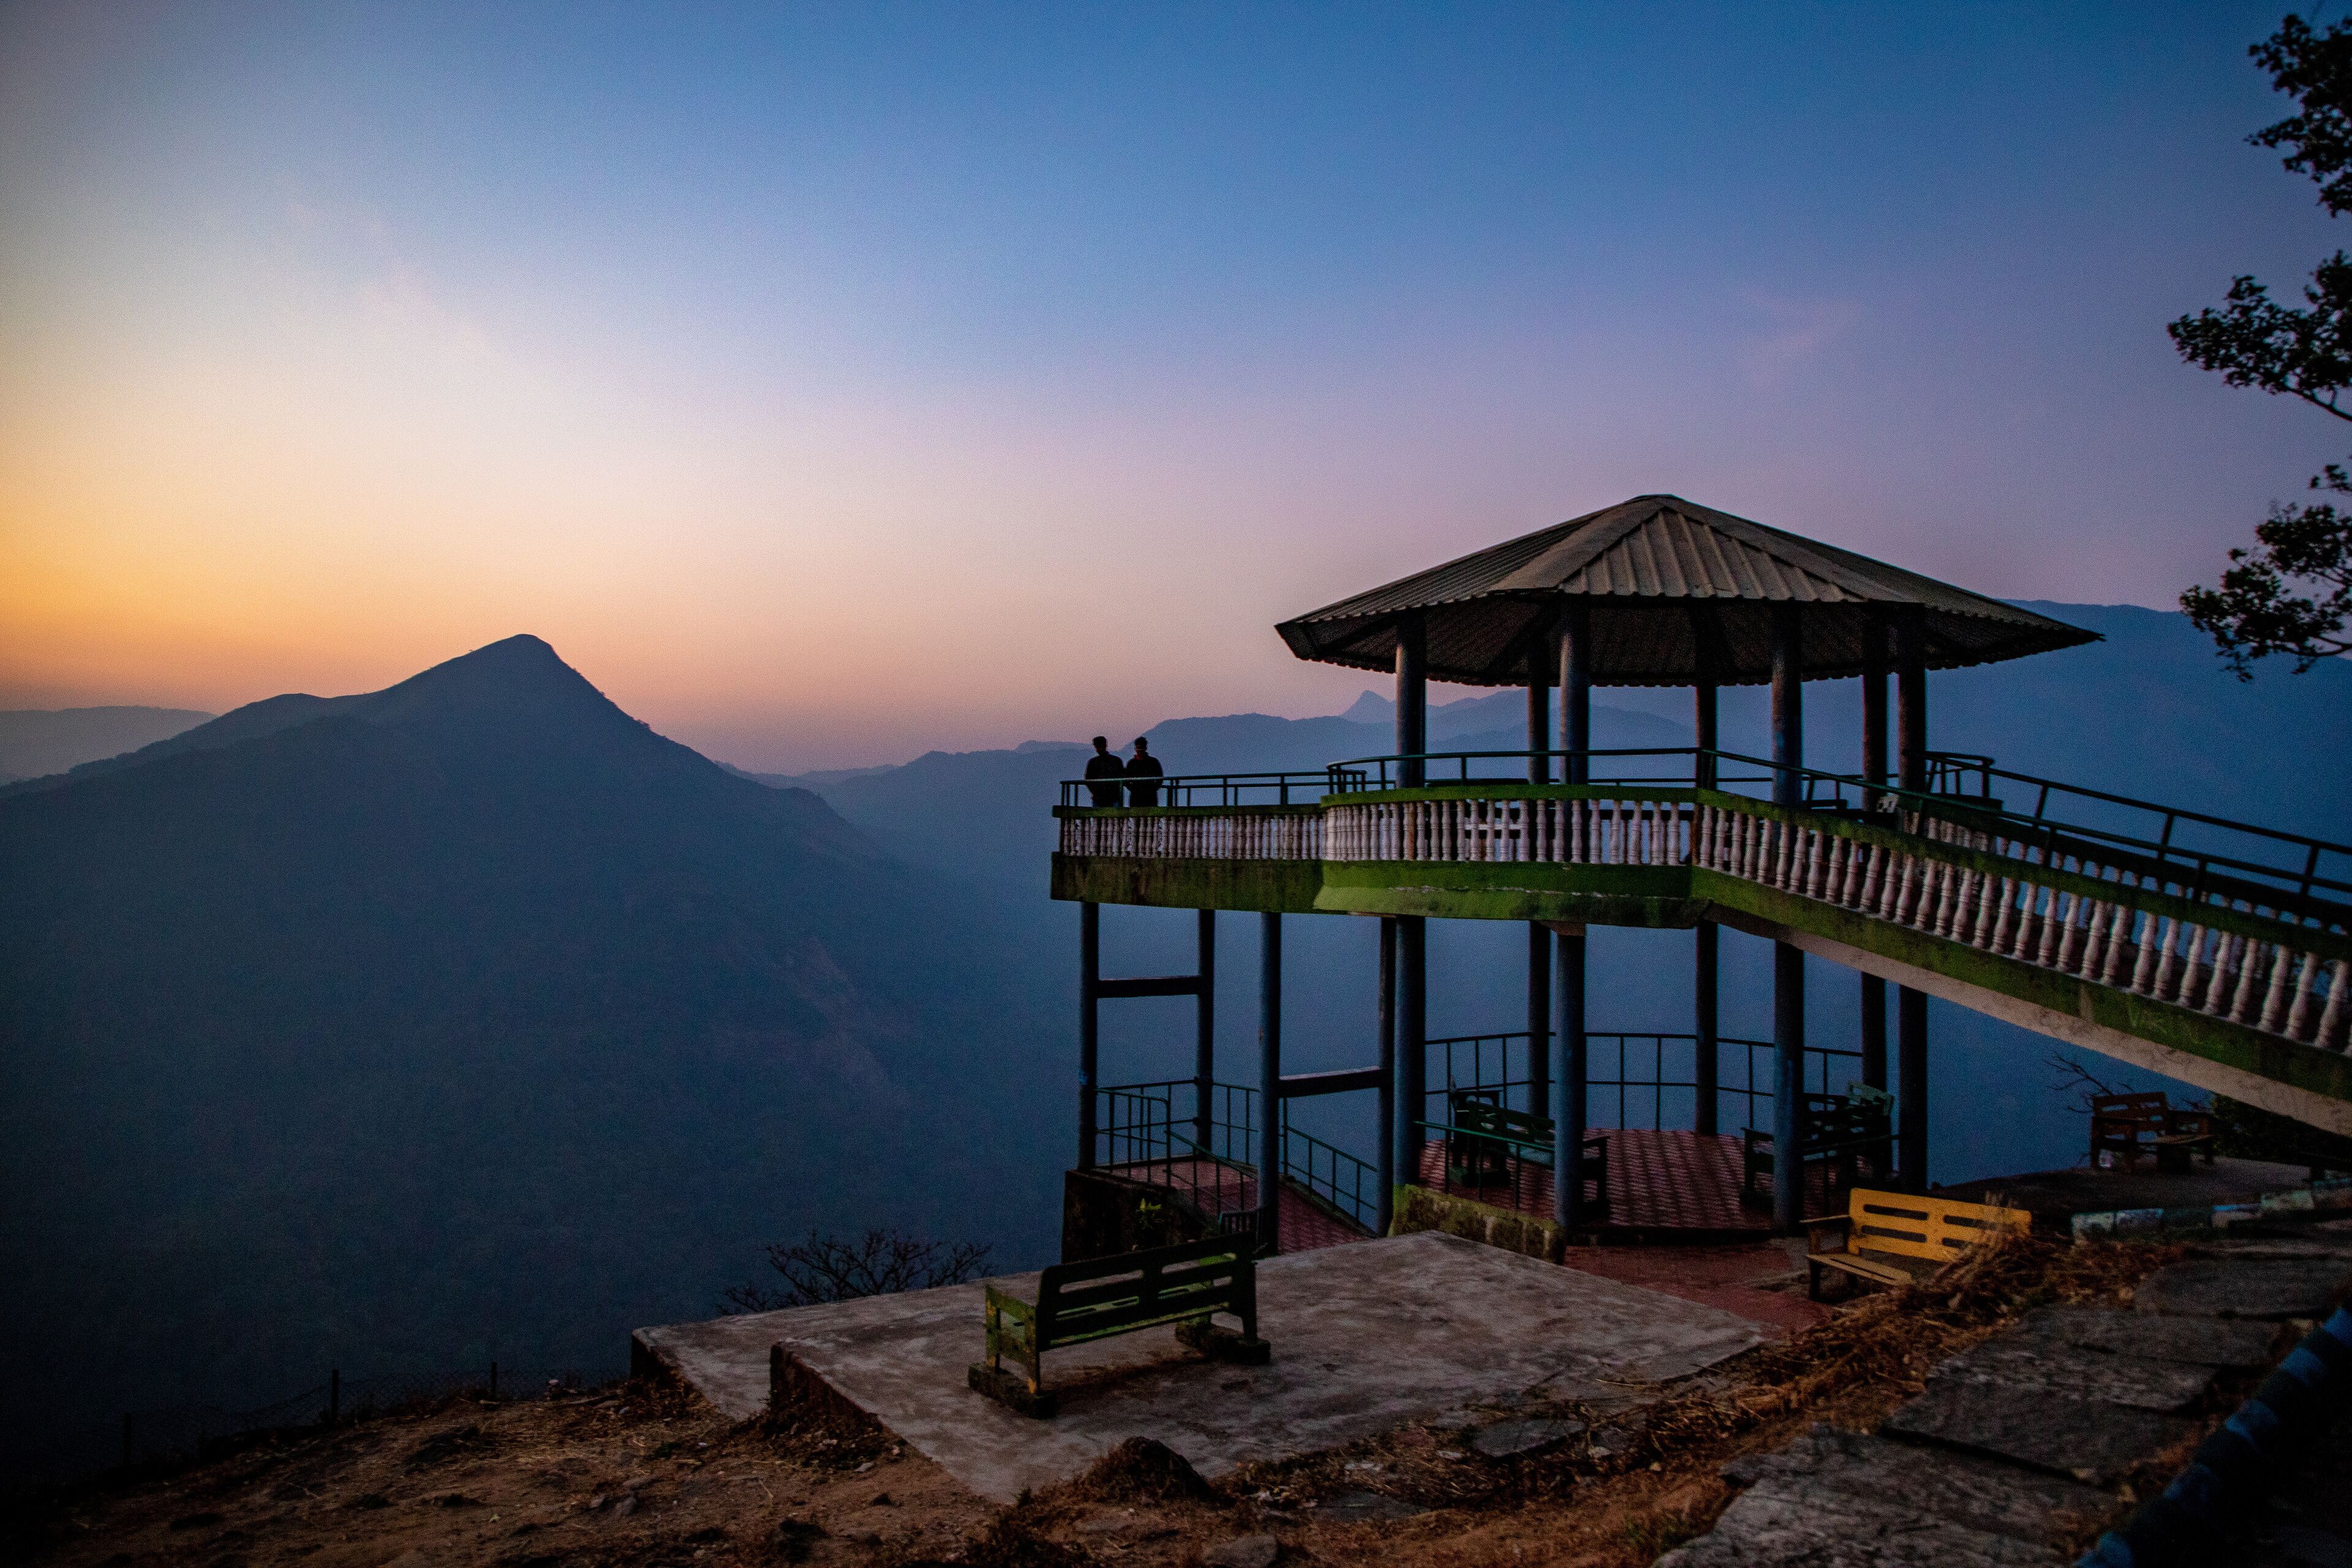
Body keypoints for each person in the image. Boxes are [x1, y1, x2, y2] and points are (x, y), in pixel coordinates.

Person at [1083, 736, 1126, 807]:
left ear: (1105, 746)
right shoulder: (1116, 761)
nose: (1098, 749)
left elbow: (1088, 779)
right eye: (1097, 747)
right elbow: (1088, 779)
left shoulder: (1094, 762)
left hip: (1111, 798)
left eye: (1099, 747)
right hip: (1103, 798)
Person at [1125, 736, 1164, 807]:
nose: (1140, 750)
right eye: (1138, 748)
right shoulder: (1131, 764)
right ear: (1135, 748)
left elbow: (1160, 778)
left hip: (1150, 796)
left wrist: (1153, 789)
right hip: (1136, 796)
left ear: (1145, 748)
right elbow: (1126, 779)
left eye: (1141, 748)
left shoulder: (1153, 762)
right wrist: (1133, 789)